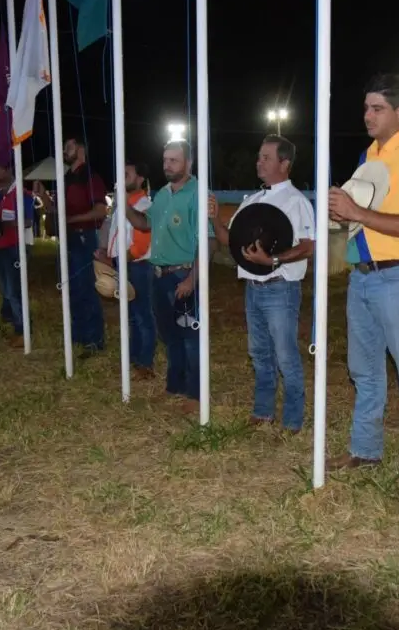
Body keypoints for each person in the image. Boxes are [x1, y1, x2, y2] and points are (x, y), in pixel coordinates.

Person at [324, 73, 399, 506]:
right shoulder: (369, 155)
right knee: (364, 371)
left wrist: (355, 210)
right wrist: (341, 216)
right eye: (366, 107)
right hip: (364, 277)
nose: (368, 115)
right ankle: (365, 450)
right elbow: (360, 218)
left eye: (377, 108)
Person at [208, 135, 315, 434]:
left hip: (280, 288)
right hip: (253, 289)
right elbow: (230, 240)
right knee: (259, 354)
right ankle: (263, 411)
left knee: (285, 355)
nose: (259, 162)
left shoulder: (296, 201)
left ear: (284, 163)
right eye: (259, 156)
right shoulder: (253, 200)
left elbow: (309, 245)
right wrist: (216, 220)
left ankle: (293, 420)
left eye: (266, 157)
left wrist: (274, 260)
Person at [123, 140, 214, 412]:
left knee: (190, 337)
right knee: (170, 336)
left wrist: (191, 280)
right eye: (165, 160)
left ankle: (196, 396)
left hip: (182, 275)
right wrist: (123, 206)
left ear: (188, 163)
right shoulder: (162, 194)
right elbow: (144, 223)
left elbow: (207, 242)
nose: (167, 165)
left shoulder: (199, 194)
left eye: (174, 160)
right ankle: (175, 387)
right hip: (159, 275)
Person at [35, 137, 109, 356]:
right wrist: (43, 197)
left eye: (69, 147)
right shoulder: (66, 178)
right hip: (69, 238)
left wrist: (71, 220)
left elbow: (101, 211)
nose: (65, 151)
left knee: (86, 289)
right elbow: (57, 209)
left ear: (81, 150)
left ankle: (94, 340)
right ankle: (78, 336)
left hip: (84, 237)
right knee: (71, 288)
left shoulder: (90, 177)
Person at [102, 161, 157, 379]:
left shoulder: (143, 204)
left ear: (140, 179)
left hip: (137, 266)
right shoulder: (124, 204)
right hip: (125, 264)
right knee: (132, 315)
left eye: (127, 174)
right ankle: (134, 360)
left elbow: (141, 243)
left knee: (142, 314)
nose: (122, 178)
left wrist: (122, 260)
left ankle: (145, 363)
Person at [0, 164, 33, 346]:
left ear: (9, 171)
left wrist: (4, 225)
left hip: (16, 248)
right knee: (6, 288)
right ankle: (11, 317)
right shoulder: (1, 195)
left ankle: (23, 331)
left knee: (14, 290)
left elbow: (28, 220)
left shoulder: (22, 194)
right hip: (2, 246)